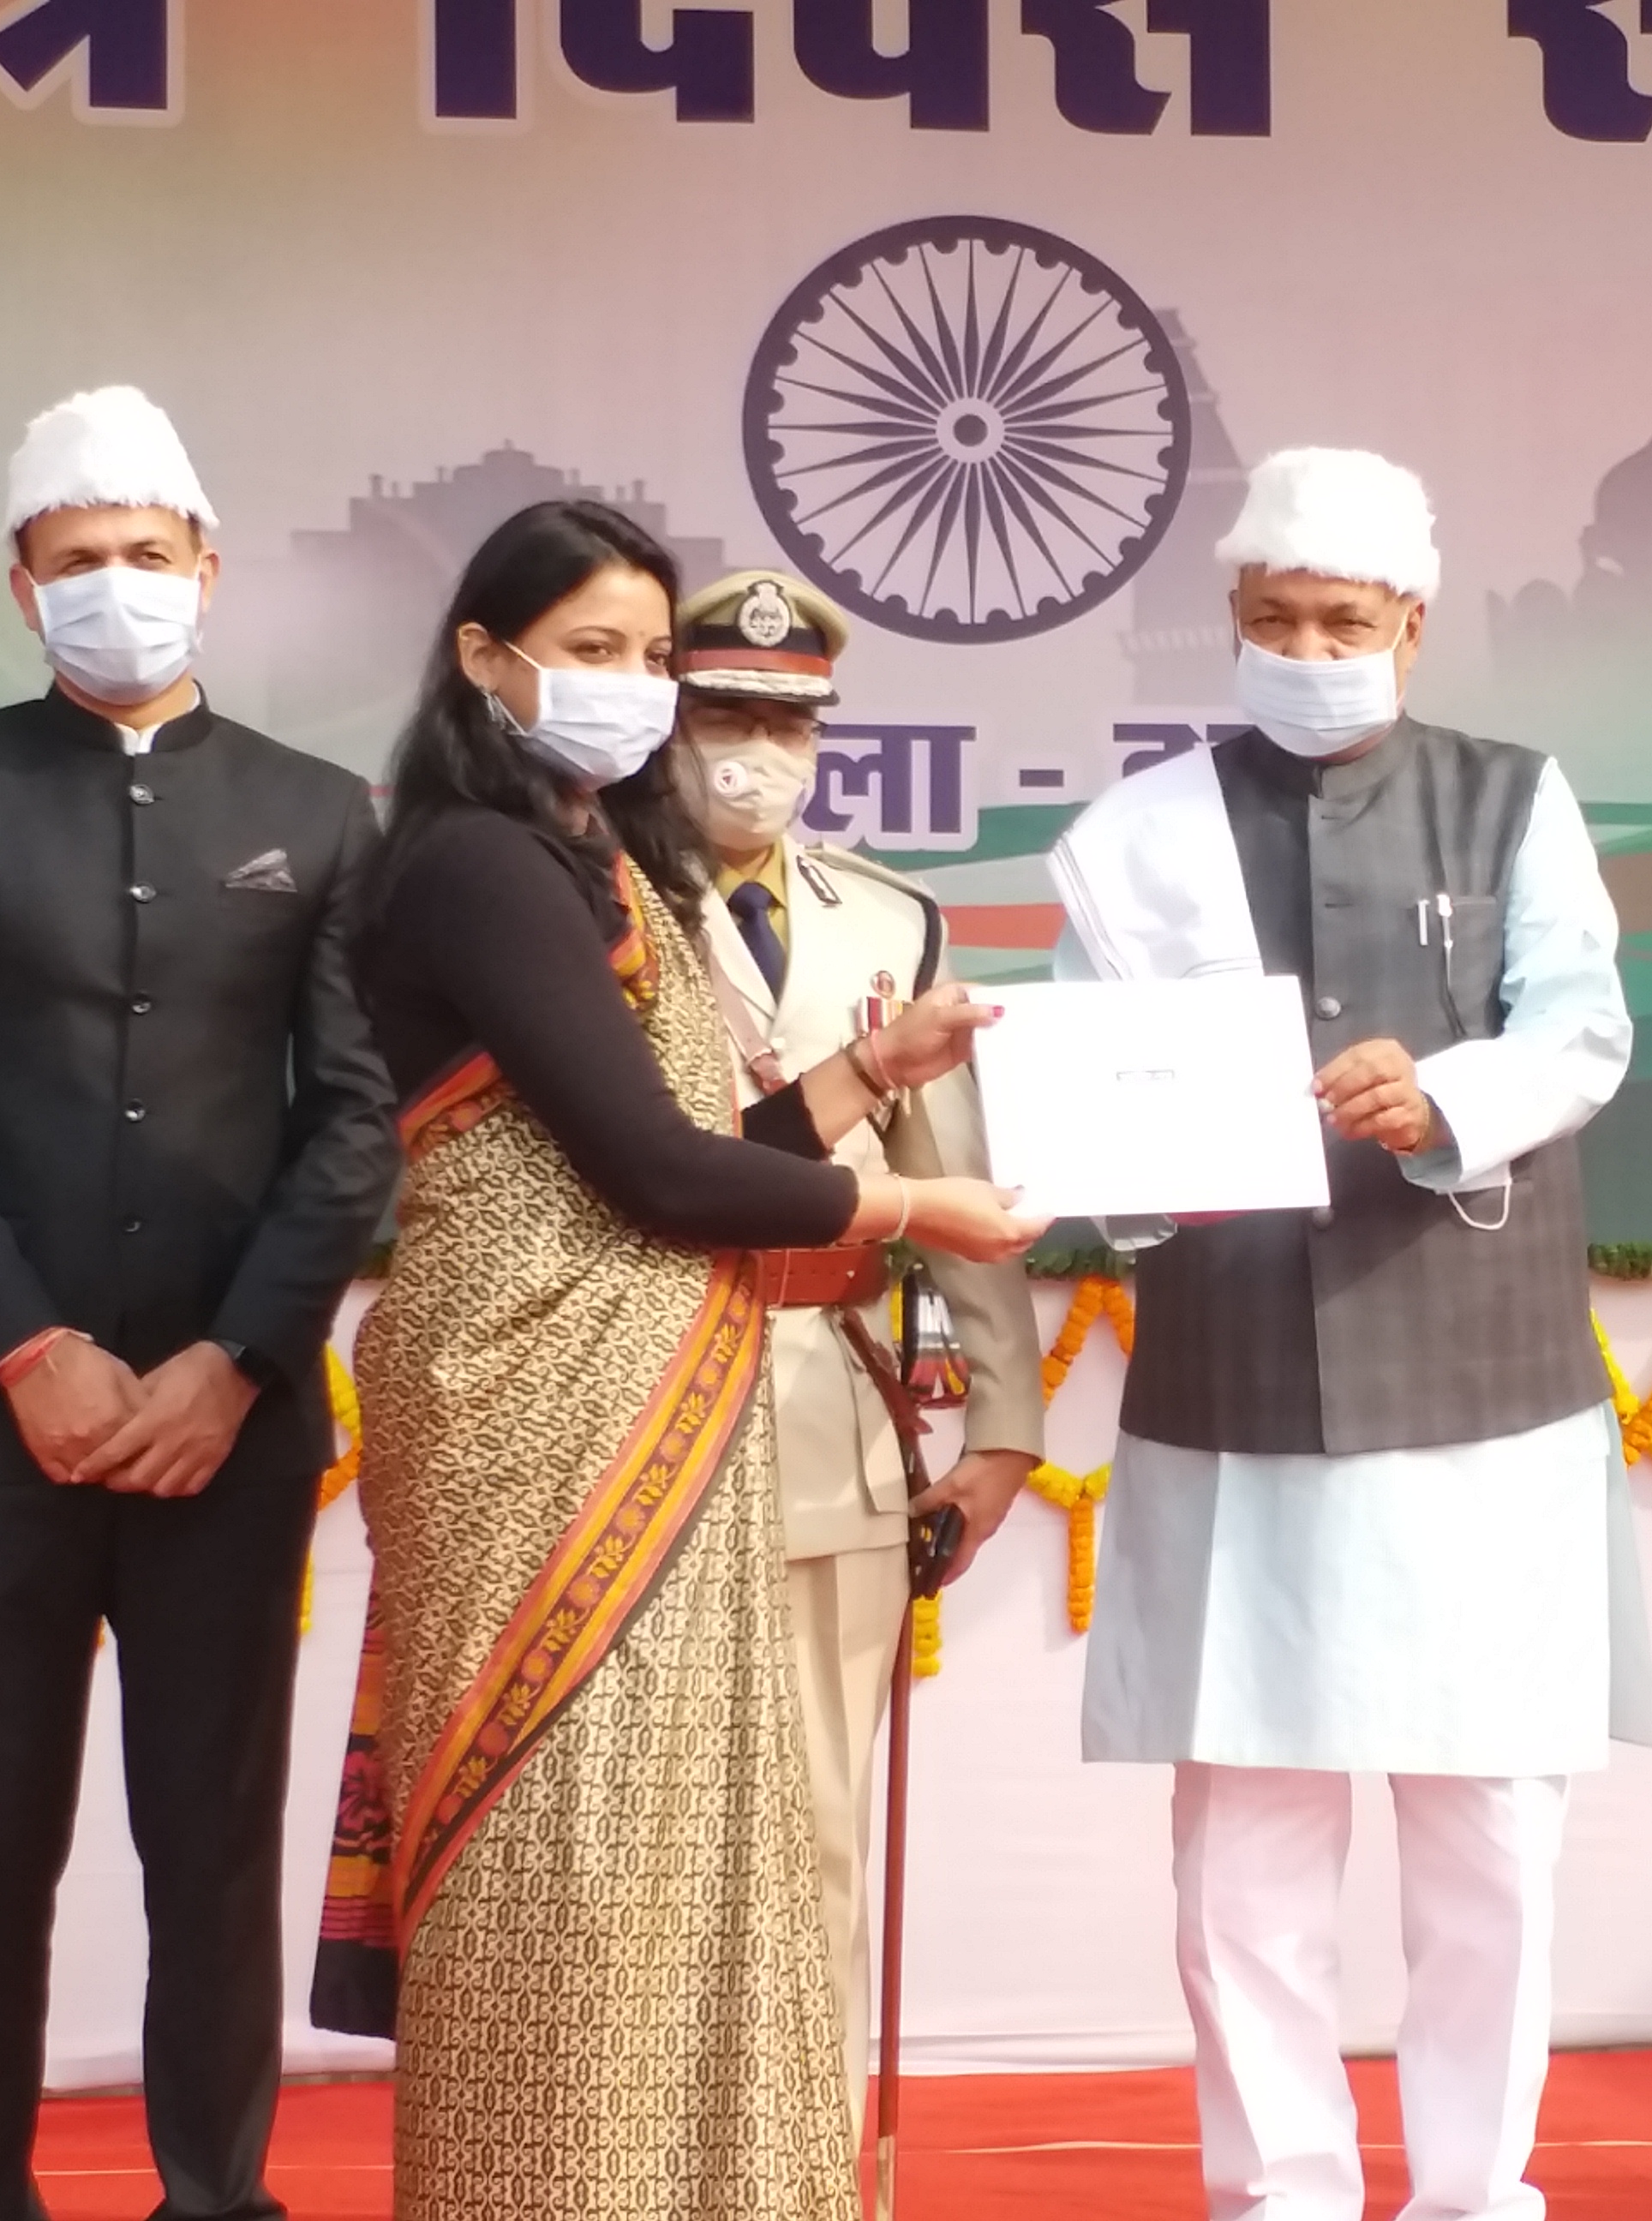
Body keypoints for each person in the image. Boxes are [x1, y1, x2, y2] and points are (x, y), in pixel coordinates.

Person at [315, 500, 1040, 2221]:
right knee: (565, 1865)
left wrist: (880, 1076)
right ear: (486, 661)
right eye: (590, 653)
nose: (632, 690)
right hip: (537, 1403)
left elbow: (696, 1139)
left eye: (649, 657)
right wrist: (912, 1195)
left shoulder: (592, 861)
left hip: (655, 1387)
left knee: (695, 1860)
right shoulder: (482, 862)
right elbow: (656, 1172)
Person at [1045, 448, 1650, 2221]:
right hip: (1235, 1382)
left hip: (1479, 1380)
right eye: (1276, 620)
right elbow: (1094, 1091)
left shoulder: (1511, 800)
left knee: (1490, 1845)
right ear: (1231, 623)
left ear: (1413, 621)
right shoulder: (1139, 837)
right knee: (1247, 1847)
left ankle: (1476, 2195)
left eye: (1343, 620)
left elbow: (1584, 1030)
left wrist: (1443, 1092)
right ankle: (1280, 2197)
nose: (1309, 648)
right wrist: (1142, 1157)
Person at [0, 387, 396, 2221]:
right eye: (78, 563)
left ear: (209, 569)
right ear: (19, 585)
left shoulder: (317, 813)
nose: (116, 590)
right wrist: (29, 1349)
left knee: (213, 1844)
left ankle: (214, 2197)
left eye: (147, 557)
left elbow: (356, 1121)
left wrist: (235, 1364)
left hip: (227, 1428)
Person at [658, 567, 1052, 2080]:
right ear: (665, 714)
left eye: (788, 719)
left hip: (829, 1405)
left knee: (822, 1826)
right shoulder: (581, 901)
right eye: (722, 711)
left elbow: (957, 1181)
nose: (753, 746)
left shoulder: (891, 915)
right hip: (639, 1395)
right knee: (641, 1842)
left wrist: (1003, 1430)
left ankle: (807, 2161)